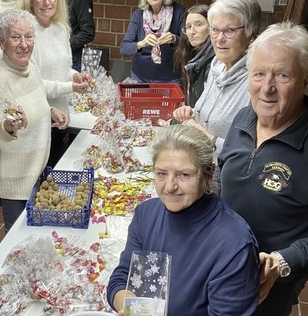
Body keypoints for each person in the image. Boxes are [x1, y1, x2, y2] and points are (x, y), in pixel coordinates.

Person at [219, 22, 308, 315]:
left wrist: (284, 260)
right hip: (218, 261)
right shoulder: (244, 118)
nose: (267, 88)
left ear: (306, 78)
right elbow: (221, 177)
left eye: (282, 75)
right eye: (259, 74)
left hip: (266, 285)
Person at [106, 124, 259, 315]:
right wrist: (128, 306)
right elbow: (121, 279)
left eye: (184, 175)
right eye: (162, 173)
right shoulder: (146, 215)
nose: (170, 186)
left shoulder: (233, 245)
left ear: (208, 175)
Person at [0, 8, 68, 232]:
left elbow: (35, 100)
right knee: (18, 240)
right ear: (1, 42)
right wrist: (6, 128)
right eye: (15, 37)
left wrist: (51, 111)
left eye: (29, 36)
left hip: (35, 172)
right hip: (14, 182)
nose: (24, 44)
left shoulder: (31, 67)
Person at [172, 0, 261, 170]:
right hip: (199, 167)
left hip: (226, 178)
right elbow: (208, 116)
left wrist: (210, 139)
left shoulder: (256, 83)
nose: (219, 39)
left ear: (252, 34)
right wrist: (191, 114)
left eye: (229, 30)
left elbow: (254, 152)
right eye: (215, 29)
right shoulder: (217, 67)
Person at [16, 0, 88, 166]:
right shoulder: (25, 34)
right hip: (37, 117)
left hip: (59, 118)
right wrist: (70, 87)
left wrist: (75, 77)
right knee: (38, 177)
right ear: (30, 0)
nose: (47, 2)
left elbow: (63, 68)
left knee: (55, 171)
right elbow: (32, 83)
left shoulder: (61, 29)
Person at [120, 0, 185, 83]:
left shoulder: (179, 12)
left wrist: (175, 38)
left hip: (169, 79)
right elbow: (124, 48)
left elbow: (190, 44)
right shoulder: (138, 15)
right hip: (140, 77)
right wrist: (142, 43)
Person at [173, 4, 214, 107]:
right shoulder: (192, 54)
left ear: (211, 27)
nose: (192, 32)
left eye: (198, 25)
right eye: (188, 27)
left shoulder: (214, 62)